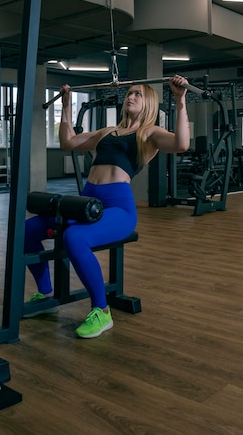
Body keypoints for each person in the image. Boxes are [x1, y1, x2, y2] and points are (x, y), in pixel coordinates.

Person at [24, 74, 190, 338]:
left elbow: (181, 144)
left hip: (118, 209)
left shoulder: (149, 133)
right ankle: (45, 295)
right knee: (27, 230)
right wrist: (66, 105)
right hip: (87, 203)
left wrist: (180, 101)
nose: (130, 96)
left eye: (137, 93)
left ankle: (102, 311)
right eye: (129, 93)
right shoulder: (106, 131)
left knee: (75, 237)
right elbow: (69, 141)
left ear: (148, 102)